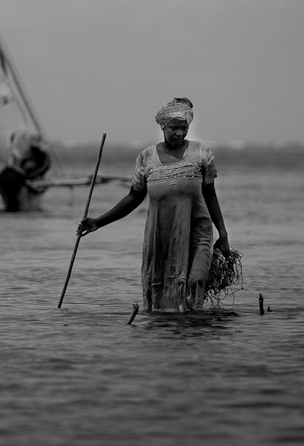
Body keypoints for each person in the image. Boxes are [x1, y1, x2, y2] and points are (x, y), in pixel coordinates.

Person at [77, 97, 229, 313]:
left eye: (184, 128)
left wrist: (223, 234)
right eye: (174, 128)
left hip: (197, 235)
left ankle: (195, 339)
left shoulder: (200, 153)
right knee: (161, 296)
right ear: (163, 126)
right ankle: (167, 337)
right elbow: (133, 197)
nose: (179, 133)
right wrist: (97, 222)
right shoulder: (147, 158)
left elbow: (211, 196)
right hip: (161, 238)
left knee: (195, 282)